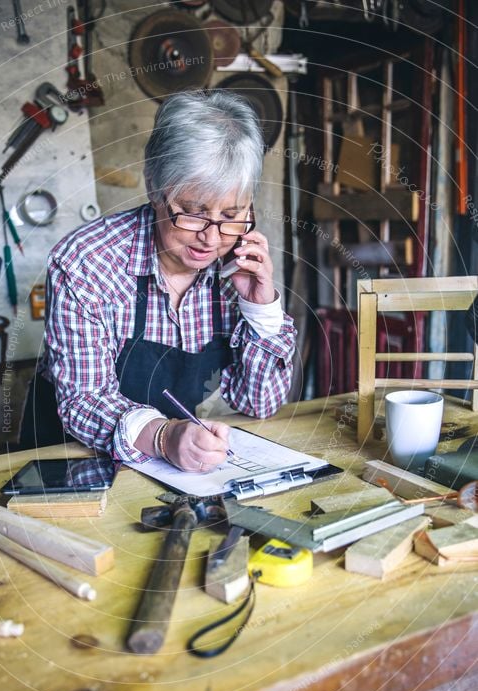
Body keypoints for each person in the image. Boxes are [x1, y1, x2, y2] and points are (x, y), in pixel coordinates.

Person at [20, 89, 296, 472]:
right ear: (154, 186)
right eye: (193, 213)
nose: (212, 239)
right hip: (70, 459)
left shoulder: (239, 265)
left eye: (233, 214)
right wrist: (165, 438)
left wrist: (261, 309)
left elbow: (259, 403)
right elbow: (84, 400)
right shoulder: (86, 263)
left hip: (175, 469)